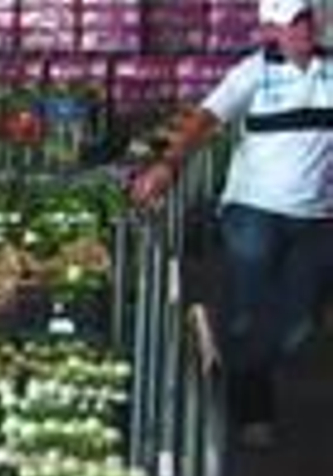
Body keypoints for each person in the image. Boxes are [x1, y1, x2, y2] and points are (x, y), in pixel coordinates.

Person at [130, 0, 333, 447]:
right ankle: (253, 410)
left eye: (306, 21)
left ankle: (230, 359)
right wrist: (168, 166)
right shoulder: (253, 72)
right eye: (291, 24)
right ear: (271, 31)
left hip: (317, 218)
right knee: (250, 305)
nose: (301, 31)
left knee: (299, 318)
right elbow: (205, 120)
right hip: (252, 210)